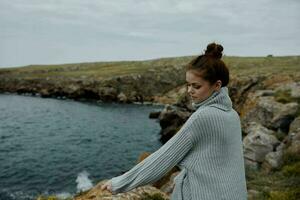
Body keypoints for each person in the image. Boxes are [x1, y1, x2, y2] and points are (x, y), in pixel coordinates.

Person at [101, 42, 248, 199]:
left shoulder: (204, 116)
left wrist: (119, 183)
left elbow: (164, 158)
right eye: (188, 85)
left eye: (196, 86)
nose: (189, 91)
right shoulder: (232, 115)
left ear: (217, 85)